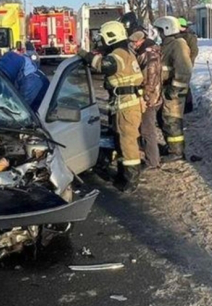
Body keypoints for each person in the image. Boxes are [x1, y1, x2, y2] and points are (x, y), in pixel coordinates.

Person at [77, 21, 144, 193]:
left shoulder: (118, 54)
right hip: (128, 103)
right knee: (122, 140)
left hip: (126, 105)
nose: (102, 41)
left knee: (127, 142)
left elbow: (104, 65)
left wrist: (84, 54)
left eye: (103, 38)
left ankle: (130, 181)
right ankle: (124, 175)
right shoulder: (125, 51)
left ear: (110, 37)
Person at [154, 16, 193, 162]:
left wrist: (174, 89)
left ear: (166, 29)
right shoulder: (167, 44)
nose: (159, 34)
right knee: (164, 119)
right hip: (166, 89)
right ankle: (172, 147)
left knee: (172, 120)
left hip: (174, 91)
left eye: (159, 31)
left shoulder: (178, 44)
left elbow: (184, 70)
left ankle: (176, 152)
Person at [129, 29, 164, 171]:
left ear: (141, 41)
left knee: (147, 130)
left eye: (134, 42)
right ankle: (152, 157)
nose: (133, 45)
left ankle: (152, 161)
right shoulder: (154, 50)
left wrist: (145, 96)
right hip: (155, 95)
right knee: (147, 128)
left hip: (149, 98)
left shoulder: (147, 54)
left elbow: (150, 78)